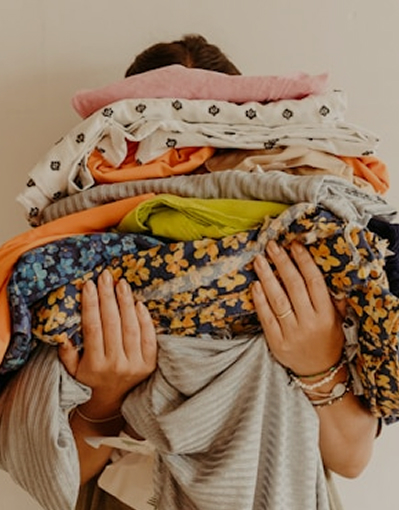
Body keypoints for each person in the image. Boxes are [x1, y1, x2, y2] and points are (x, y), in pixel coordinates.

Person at [58, 34, 381, 508]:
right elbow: (54, 476)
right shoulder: (77, 263)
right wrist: (104, 398)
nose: (184, 169)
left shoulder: (310, 253)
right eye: (162, 145)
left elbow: (352, 459)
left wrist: (319, 364)